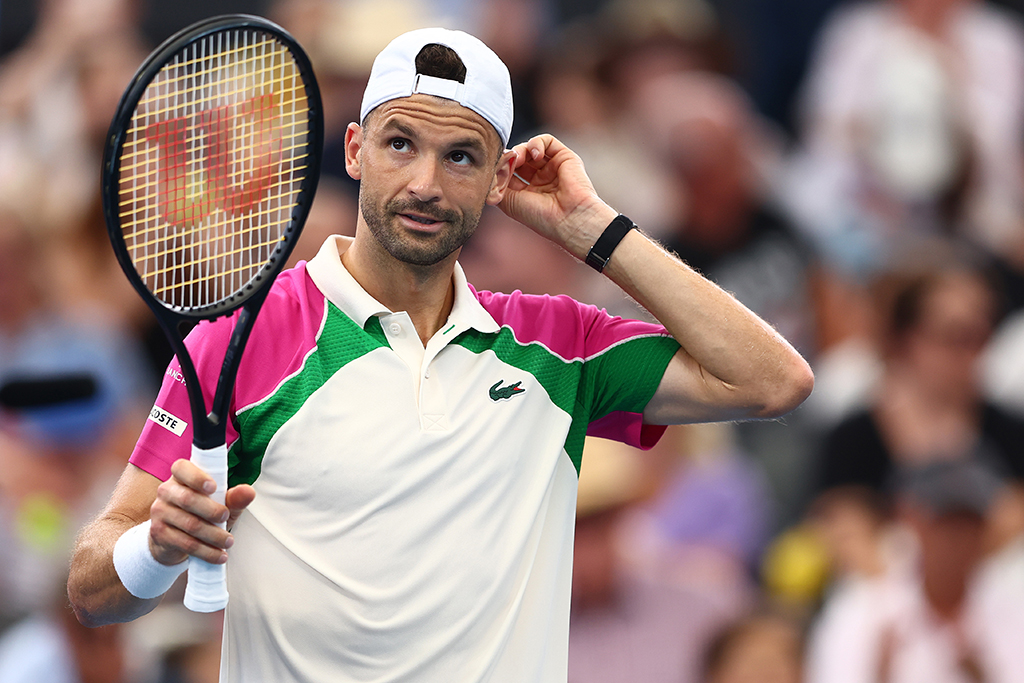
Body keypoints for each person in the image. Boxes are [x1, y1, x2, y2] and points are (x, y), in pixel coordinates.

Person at [66, 27, 813, 682]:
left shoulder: (557, 345)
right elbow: (91, 587)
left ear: (499, 181)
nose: (426, 182)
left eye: (462, 157)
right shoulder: (244, 341)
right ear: (355, 150)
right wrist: (156, 546)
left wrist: (591, 228)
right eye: (400, 144)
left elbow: (773, 379)